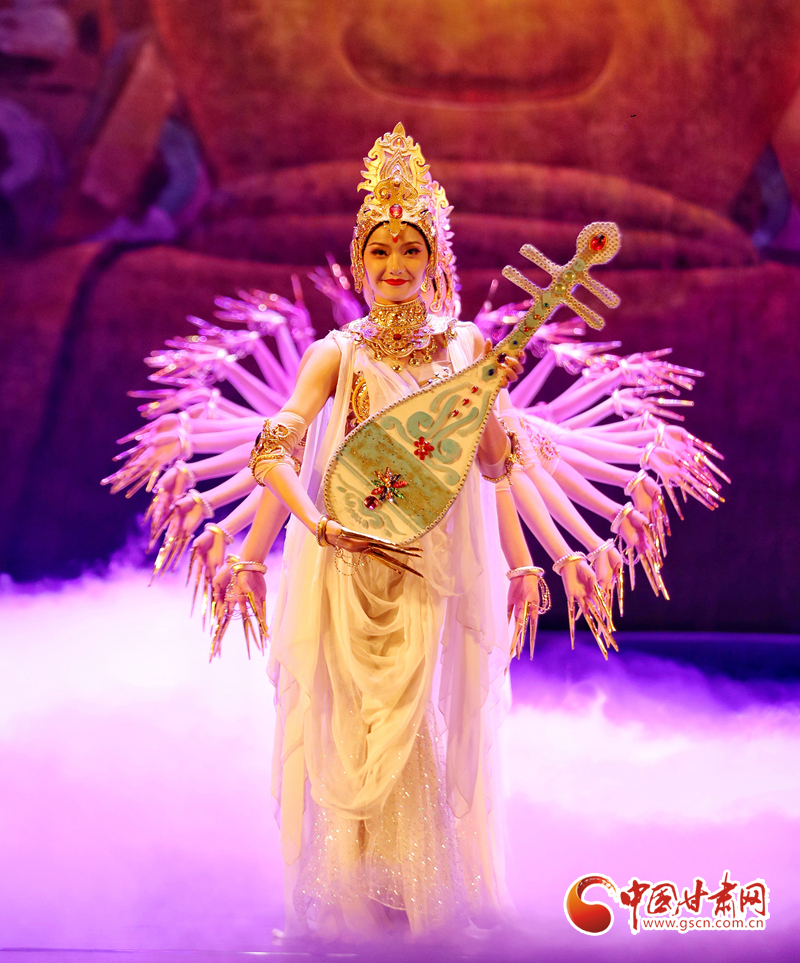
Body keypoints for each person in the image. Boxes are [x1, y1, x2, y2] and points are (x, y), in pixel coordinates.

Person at [218, 123, 543, 940]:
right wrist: (284, 541)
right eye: (380, 250)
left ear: (436, 258)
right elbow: (277, 449)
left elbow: (491, 464)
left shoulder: (468, 346)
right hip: (348, 564)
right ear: (359, 261)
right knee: (351, 725)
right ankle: (358, 902)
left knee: (411, 721)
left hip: (428, 563)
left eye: (410, 248)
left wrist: (522, 560)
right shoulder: (336, 354)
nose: (395, 265)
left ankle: (419, 904)